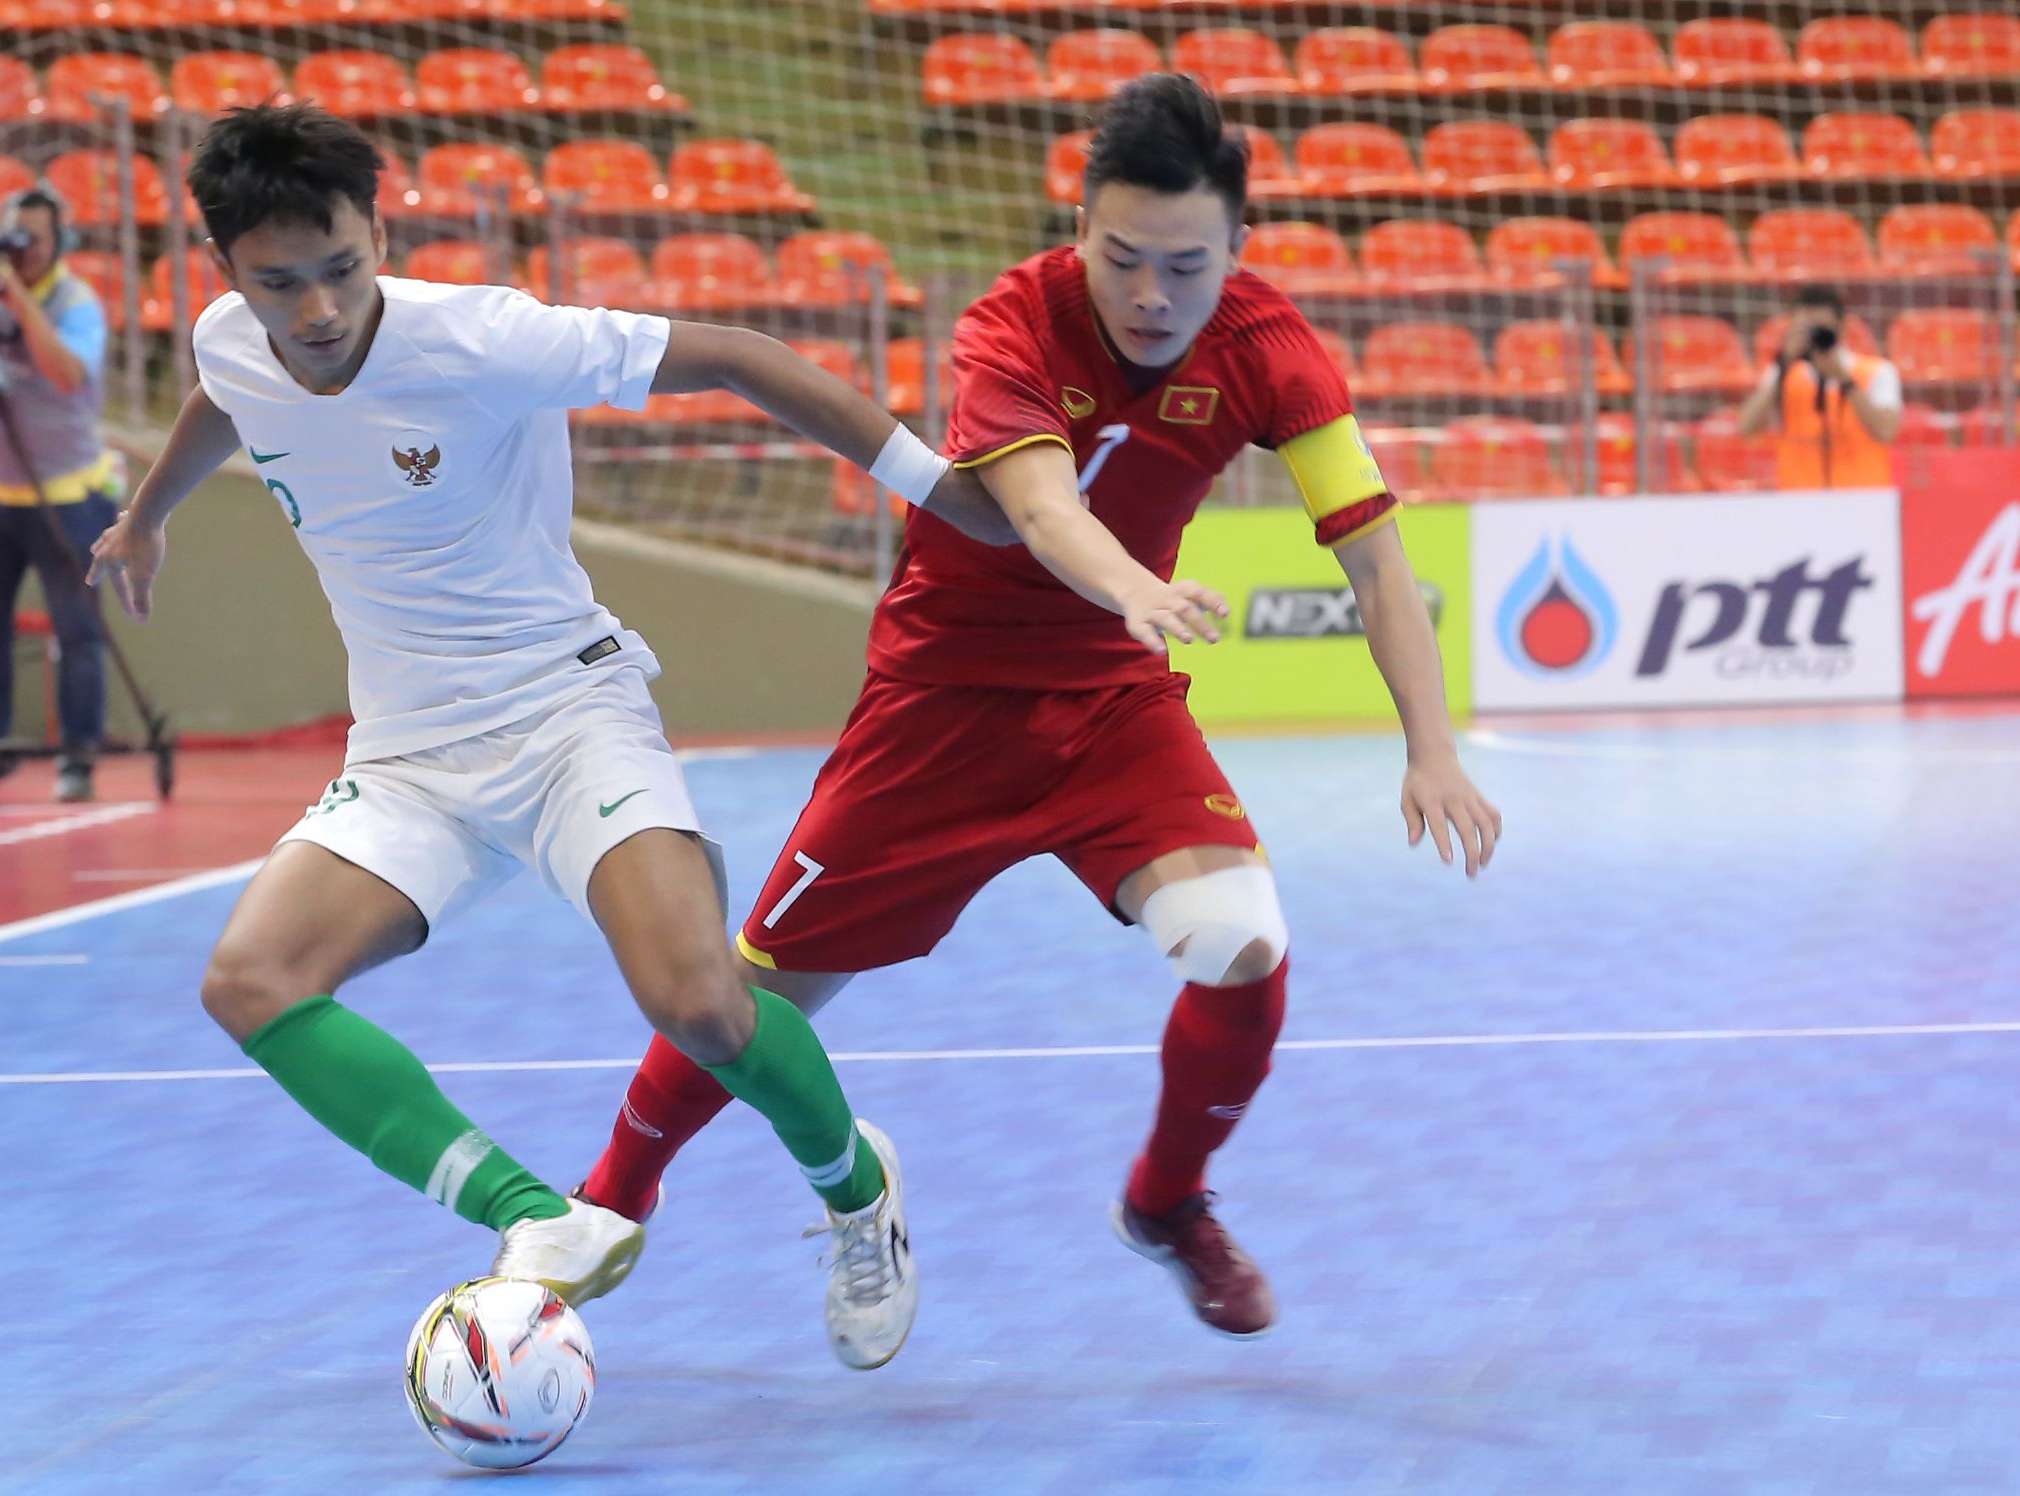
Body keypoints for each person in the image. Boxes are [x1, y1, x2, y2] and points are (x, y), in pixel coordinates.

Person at [572, 74, 1504, 1339]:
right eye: (1121, 257)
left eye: (1185, 265)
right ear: (1079, 226)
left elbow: (1377, 557)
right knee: (749, 1003)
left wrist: (1430, 749)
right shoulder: (1010, 323)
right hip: (940, 700)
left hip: (1110, 701)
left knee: (1239, 945)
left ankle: (1166, 1200)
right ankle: (606, 1201)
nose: (1150, 295)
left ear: (1236, 248)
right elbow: (1040, 507)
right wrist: (1133, 584)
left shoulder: (1272, 346)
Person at [85, 102, 938, 1369]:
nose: (315, 309)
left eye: (338, 269)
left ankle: (854, 1185)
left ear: (378, 232)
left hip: (563, 714)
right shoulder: (232, 339)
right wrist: (150, 513)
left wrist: (933, 487)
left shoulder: (484, 337)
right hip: (407, 759)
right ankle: (535, 1217)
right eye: (278, 285)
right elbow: (226, 393)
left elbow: (744, 354)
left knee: (702, 999)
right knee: (248, 981)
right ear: (225, 275)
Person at [0, 186, 115, 802]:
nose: (21, 251)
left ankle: (78, 755)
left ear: (59, 244)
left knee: (75, 633)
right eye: (12, 237)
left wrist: (18, 298)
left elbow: (67, 373)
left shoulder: (77, 303)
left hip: (69, 495)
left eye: (34, 239)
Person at [1735, 283, 1903, 490]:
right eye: (1806, 329)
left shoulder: (1877, 371)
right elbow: (1746, 427)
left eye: (1821, 330)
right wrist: (1784, 365)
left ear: (1841, 328)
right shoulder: (1783, 373)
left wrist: (1845, 381)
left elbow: (1886, 431)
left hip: (1862, 497)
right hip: (1801, 500)